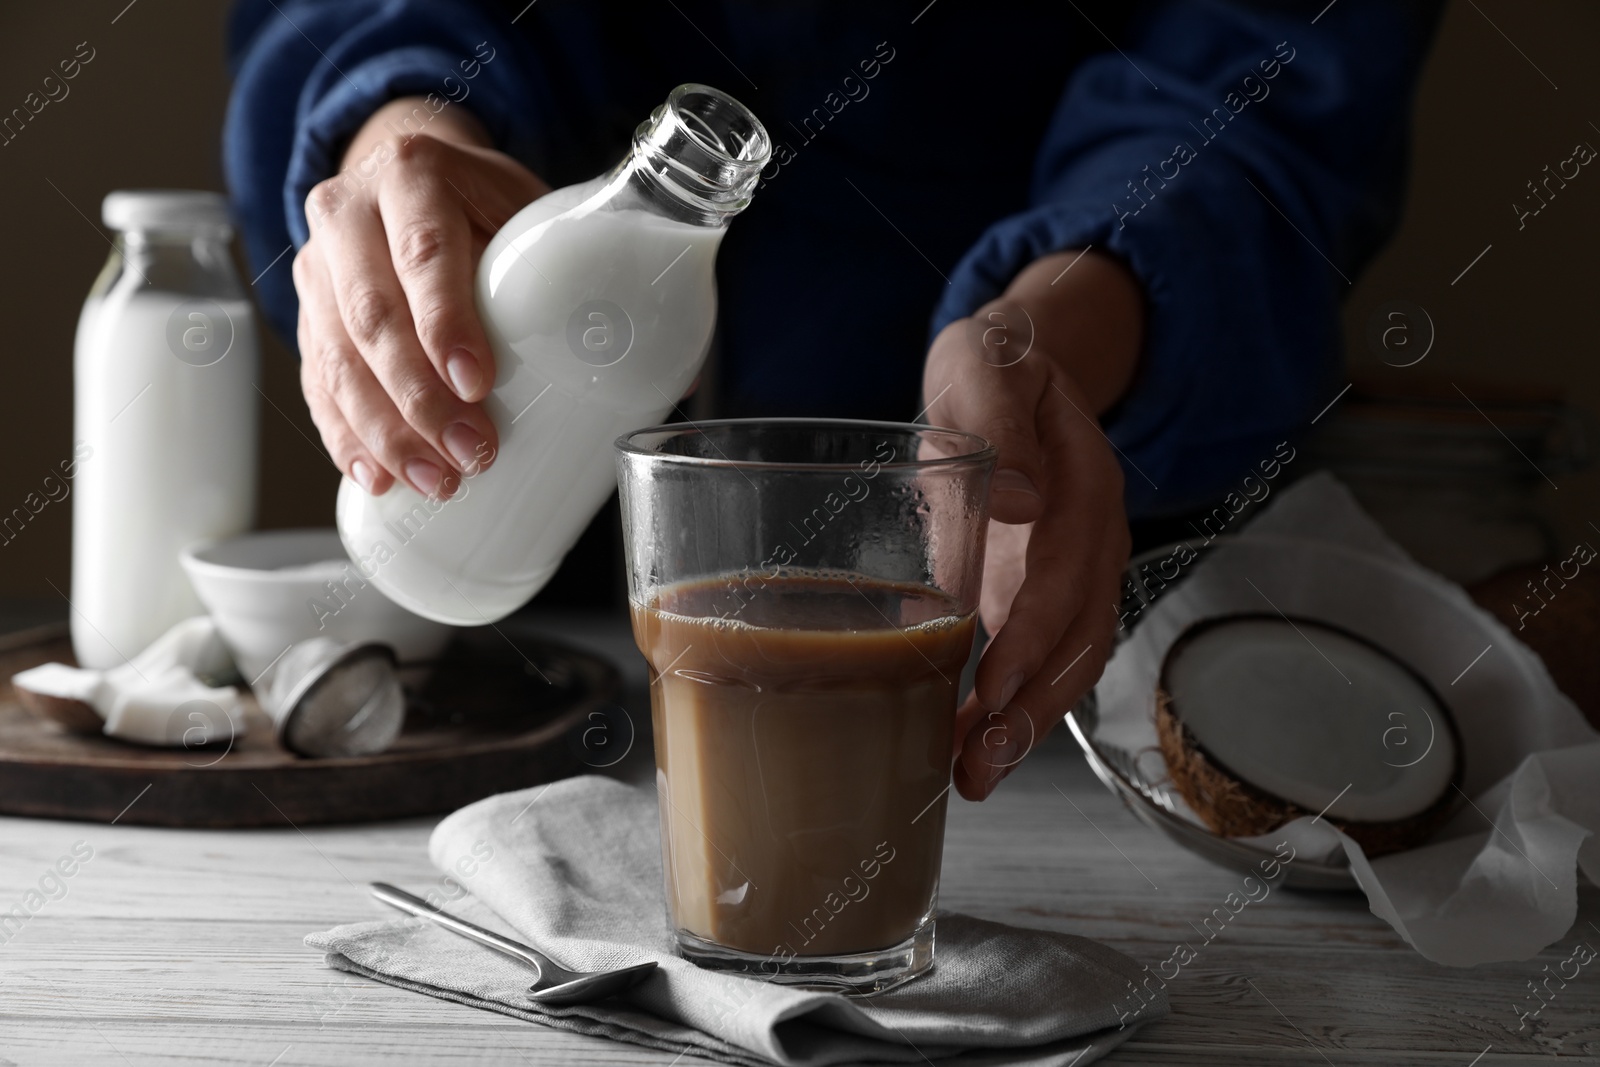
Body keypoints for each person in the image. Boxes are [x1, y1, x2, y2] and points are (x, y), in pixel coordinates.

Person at [224, 0, 1442, 801]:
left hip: (1054, 557)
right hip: (591, 652)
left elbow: (1268, 69)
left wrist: (1057, 329)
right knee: (686, 860)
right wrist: (401, 116)